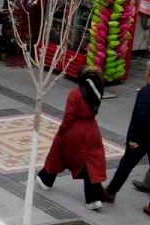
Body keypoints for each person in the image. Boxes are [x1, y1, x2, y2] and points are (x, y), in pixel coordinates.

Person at [104, 58, 150, 219]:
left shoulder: (146, 92)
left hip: (143, 139)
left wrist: (133, 138)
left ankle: (110, 192)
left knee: (126, 165)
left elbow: (140, 117)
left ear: (149, 72)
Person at [37, 67, 109, 210]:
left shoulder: (75, 94)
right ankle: (94, 197)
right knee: (90, 161)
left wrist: (62, 130)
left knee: (58, 153)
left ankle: (46, 179)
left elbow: (69, 116)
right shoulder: (98, 92)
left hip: (74, 130)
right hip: (92, 129)